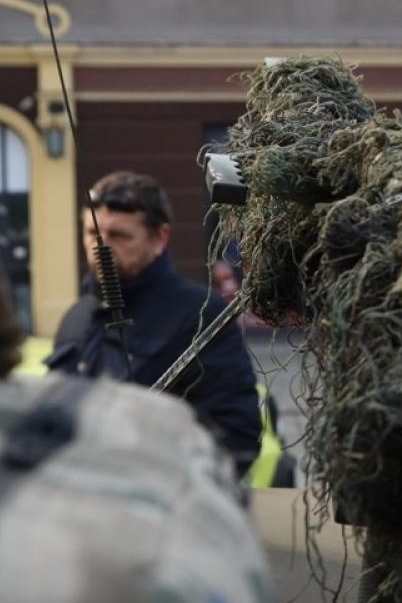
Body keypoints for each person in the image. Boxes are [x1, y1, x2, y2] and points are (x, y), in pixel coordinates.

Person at [49, 171, 261, 475]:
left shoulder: (201, 315)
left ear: (160, 237)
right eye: (93, 233)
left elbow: (236, 437)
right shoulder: (76, 317)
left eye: (120, 236)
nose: (101, 248)